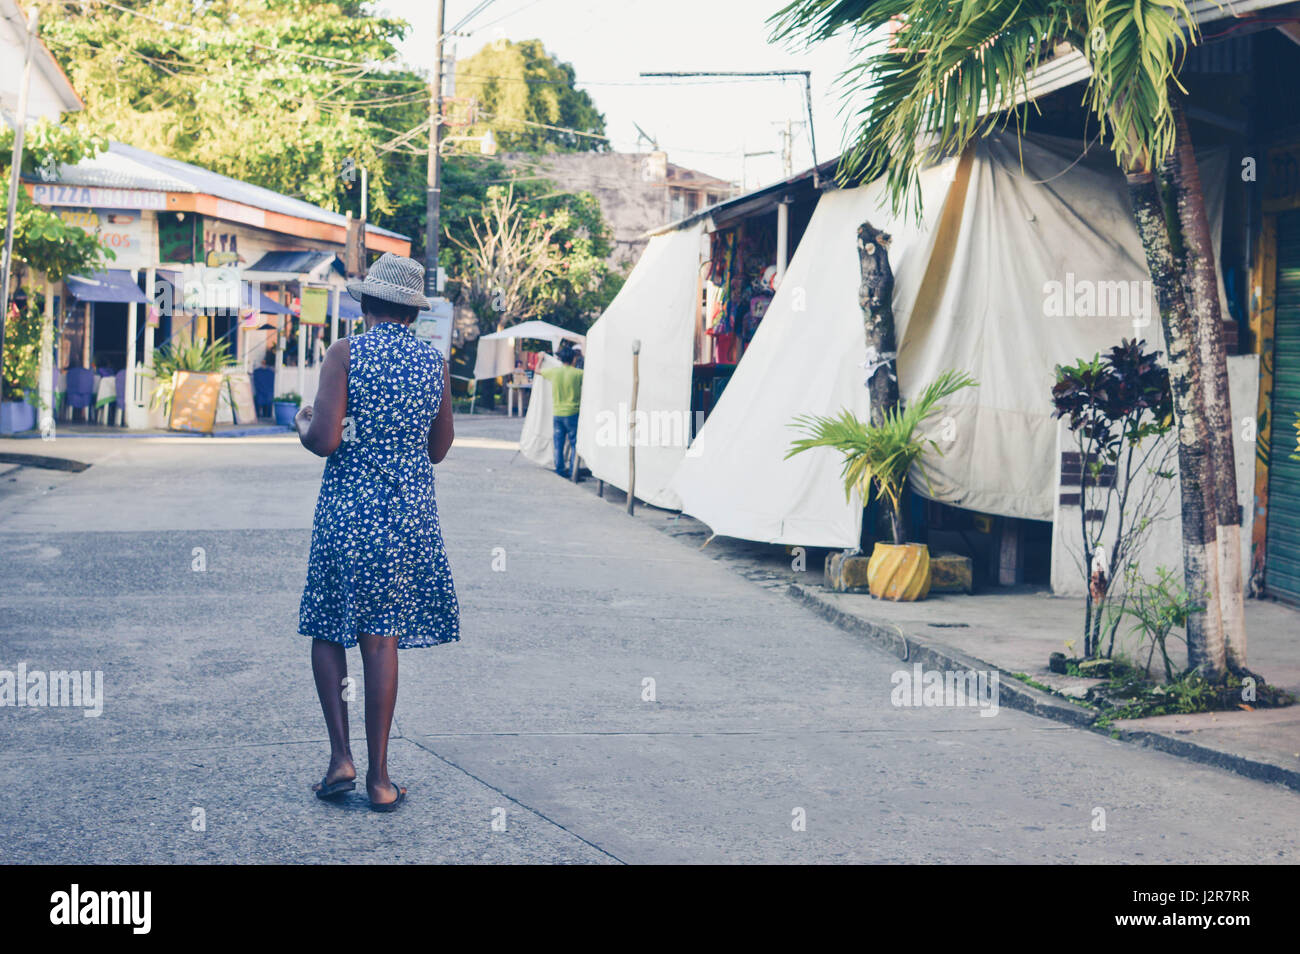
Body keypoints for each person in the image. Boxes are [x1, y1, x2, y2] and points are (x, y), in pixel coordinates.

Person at [294, 252, 460, 813]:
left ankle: (341, 757)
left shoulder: (344, 354)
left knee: (327, 627)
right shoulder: (432, 362)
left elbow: (325, 439)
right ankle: (381, 779)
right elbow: (438, 449)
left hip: (347, 512)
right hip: (405, 517)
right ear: (411, 312)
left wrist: (302, 422)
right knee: (382, 638)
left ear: (366, 303)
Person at [539, 341, 583, 477]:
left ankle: (560, 470)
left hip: (557, 413)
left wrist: (540, 359)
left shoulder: (554, 372)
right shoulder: (579, 374)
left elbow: (536, 371)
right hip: (573, 414)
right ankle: (572, 472)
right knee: (575, 444)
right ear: (574, 358)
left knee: (559, 444)